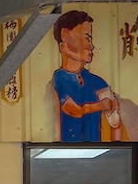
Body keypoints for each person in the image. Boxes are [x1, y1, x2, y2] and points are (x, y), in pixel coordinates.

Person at [51, 9, 121, 142]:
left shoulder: (96, 81)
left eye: (90, 39)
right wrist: (99, 106)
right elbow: (72, 110)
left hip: (95, 151)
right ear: (63, 44)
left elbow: (115, 121)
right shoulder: (60, 77)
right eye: (86, 38)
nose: (91, 46)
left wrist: (114, 108)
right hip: (65, 152)